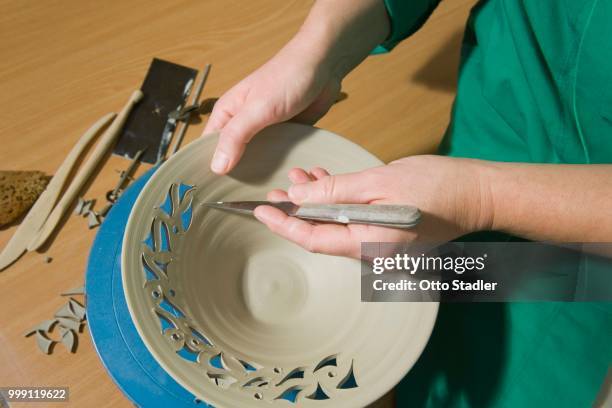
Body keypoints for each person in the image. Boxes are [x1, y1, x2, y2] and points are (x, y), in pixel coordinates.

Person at [203, 0, 612, 406]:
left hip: (588, 247)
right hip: (496, 113)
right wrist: (316, 49)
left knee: (453, 371)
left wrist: (481, 198)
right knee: (387, 296)